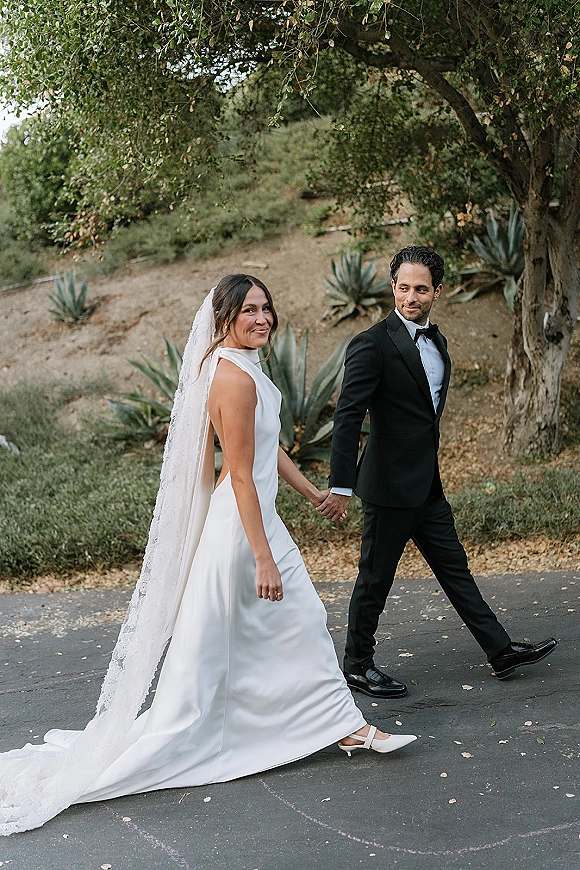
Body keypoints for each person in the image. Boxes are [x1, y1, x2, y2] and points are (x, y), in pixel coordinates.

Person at [0, 275, 416, 836]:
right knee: (245, 643)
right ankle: (342, 728)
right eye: (249, 310)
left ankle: (341, 726)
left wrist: (311, 492)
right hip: (241, 529)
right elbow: (239, 474)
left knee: (280, 628)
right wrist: (263, 556)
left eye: (266, 308)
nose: (262, 319)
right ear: (224, 318)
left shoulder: (244, 366)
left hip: (255, 520)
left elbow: (268, 447)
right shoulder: (232, 377)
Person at [318, 246, 558, 699]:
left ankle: (500, 650)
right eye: (404, 288)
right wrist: (342, 485)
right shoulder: (371, 344)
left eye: (421, 289)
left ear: (437, 292)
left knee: (456, 570)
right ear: (393, 288)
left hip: (427, 485)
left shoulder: (438, 341)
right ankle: (357, 665)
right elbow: (348, 416)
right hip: (388, 487)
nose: (411, 297)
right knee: (375, 580)